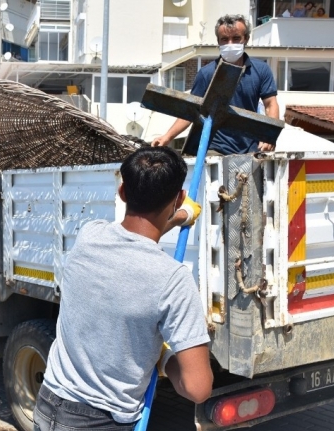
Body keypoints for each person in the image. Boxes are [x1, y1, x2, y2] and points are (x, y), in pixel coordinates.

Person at [34, 147, 212, 430]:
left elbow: (131, 238)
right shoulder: (173, 279)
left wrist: (178, 218)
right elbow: (198, 387)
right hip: (101, 422)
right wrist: (164, 359)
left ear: (123, 192)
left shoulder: (89, 235)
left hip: (48, 405)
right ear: (178, 198)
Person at [152, 14, 279, 155]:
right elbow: (191, 111)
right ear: (218, 42)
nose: (230, 44)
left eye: (236, 38)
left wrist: (270, 135)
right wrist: (167, 137)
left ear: (246, 39)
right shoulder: (206, 74)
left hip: (251, 148)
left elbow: (270, 105)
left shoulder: (261, 70)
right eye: (224, 39)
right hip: (216, 148)